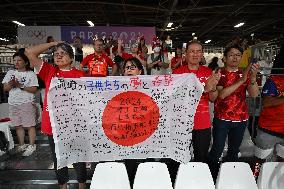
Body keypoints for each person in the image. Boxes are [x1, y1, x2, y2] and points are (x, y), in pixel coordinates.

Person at [23, 42, 87, 189]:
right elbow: (29, 52)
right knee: (59, 158)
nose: (58, 55)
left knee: (78, 157)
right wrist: (54, 43)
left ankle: (82, 185)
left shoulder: (80, 75)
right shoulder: (49, 71)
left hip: (74, 125)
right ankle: (62, 185)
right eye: (56, 53)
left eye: (63, 53)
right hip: (54, 126)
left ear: (71, 58)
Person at [207, 44, 259, 180]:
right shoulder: (220, 73)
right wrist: (242, 80)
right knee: (217, 150)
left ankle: (229, 178)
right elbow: (221, 95)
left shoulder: (245, 72)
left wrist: (252, 79)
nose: (235, 57)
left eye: (238, 55)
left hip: (241, 119)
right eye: (231, 55)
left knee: (234, 151)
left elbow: (253, 94)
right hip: (222, 119)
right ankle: (212, 177)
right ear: (224, 58)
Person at [173, 40, 221, 162]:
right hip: (182, 123)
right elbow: (175, 99)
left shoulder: (208, 72)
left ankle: (198, 180)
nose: (195, 54)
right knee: (179, 158)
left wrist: (214, 87)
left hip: (202, 124)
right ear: (186, 54)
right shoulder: (178, 73)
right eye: (192, 51)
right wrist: (204, 89)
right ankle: (178, 180)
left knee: (201, 158)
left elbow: (212, 98)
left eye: (198, 51)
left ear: (202, 54)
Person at [2, 52, 38, 156]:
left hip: (26, 102)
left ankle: (31, 145)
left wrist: (20, 85)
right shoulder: (10, 73)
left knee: (30, 125)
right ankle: (22, 144)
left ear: (25, 62)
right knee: (18, 126)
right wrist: (11, 84)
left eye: (19, 60)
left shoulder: (30, 74)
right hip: (13, 103)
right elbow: (5, 89)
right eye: (14, 60)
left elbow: (34, 89)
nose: (16, 62)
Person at [254, 44, 284, 163]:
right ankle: (256, 181)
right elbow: (266, 102)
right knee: (260, 165)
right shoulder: (274, 81)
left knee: (280, 168)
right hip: (268, 129)